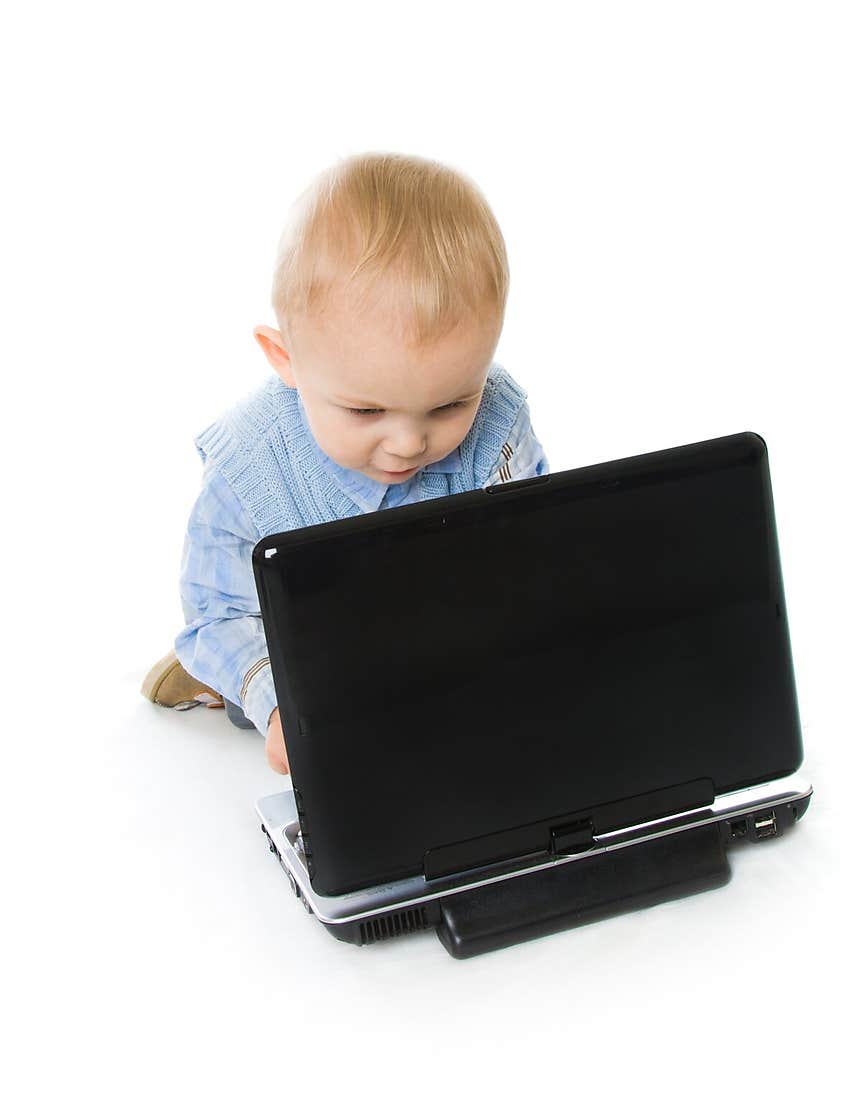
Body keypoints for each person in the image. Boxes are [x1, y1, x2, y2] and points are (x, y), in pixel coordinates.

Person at [141, 151, 551, 775]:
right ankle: (224, 684)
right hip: (314, 646)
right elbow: (218, 613)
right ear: (286, 360)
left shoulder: (495, 424)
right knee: (269, 673)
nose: (409, 444)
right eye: (365, 412)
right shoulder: (251, 468)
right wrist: (277, 708)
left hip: (438, 639)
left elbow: (540, 541)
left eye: (450, 403)